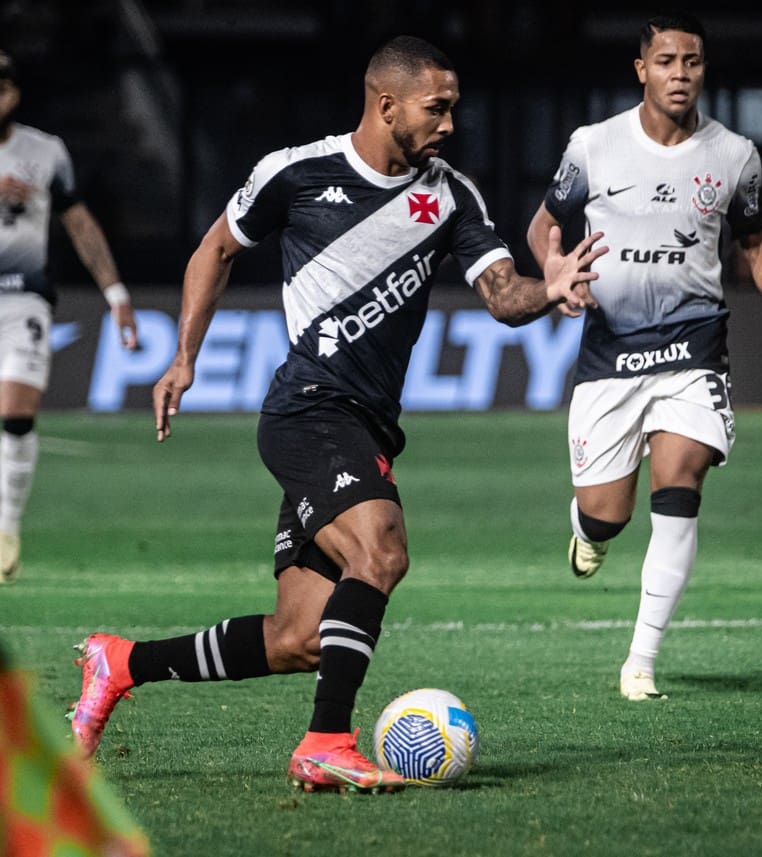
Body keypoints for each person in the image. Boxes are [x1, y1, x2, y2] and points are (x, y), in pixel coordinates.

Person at [70, 35, 606, 793]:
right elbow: (214, 250)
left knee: (301, 638)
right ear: (387, 105)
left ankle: (120, 663)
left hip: (366, 423)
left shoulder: (451, 195)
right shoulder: (294, 173)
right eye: (437, 108)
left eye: (454, 107)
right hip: (309, 407)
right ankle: (325, 740)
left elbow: (500, 295)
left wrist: (548, 287)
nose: (451, 122)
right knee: (381, 548)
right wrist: (184, 356)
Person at [527, 13, 762, 702]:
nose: (680, 74)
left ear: (703, 69)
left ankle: (640, 661)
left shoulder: (734, 155)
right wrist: (555, 271)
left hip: (694, 349)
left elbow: (757, 241)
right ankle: (587, 530)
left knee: (680, 484)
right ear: (641, 70)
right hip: (609, 352)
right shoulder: (593, 147)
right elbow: (544, 226)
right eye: (666, 61)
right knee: (606, 513)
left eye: (692, 62)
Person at [0, 49, 139, 583]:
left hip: (24, 301)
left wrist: (117, 293)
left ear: (15, 92)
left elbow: (80, 226)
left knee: (15, 415)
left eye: (4, 85)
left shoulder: (46, 152)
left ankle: (7, 528)